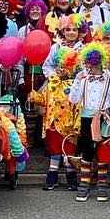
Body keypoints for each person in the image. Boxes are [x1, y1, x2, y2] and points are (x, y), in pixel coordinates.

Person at [69, 42, 110, 203]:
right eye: (87, 63)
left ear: (101, 63)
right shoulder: (84, 80)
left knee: (102, 152)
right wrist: (77, 82)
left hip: (103, 119)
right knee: (87, 151)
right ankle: (84, 184)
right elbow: (73, 99)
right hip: (86, 119)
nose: (89, 67)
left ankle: (102, 184)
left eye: (92, 64)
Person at [33, 47, 82, 191]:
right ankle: (52, 176)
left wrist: (77, 125)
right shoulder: (51, 84)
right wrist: (35, 97)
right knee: (54, 150)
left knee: (69, 151)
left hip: (68, 125)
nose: (60, 70)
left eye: (64, 67)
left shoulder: (73, 85)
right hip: (52, 124)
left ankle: (71, 176)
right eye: (58, 66)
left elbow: (78, 106)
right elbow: (44, 101)